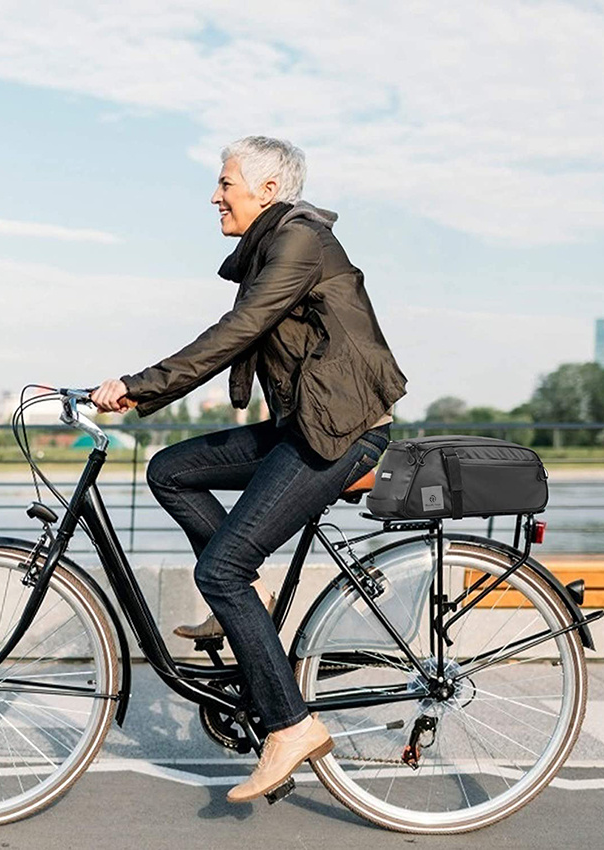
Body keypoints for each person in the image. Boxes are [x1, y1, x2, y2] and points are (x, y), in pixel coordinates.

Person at [91, 135, 407, 803]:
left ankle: (291, 725)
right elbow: (243, 330)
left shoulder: (299, 240)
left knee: (219, 569)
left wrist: (140, 386)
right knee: (171, 469)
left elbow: (238, 331)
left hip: (341, 434)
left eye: (225, 181)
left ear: (266, 190)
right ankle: (251, 601)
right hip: (307, 425)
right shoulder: (273, 245)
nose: (215, 194)